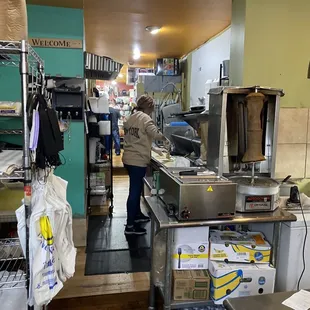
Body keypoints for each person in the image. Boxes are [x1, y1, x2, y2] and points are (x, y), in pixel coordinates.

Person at [122, 95, 168, 235]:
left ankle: (137, 215)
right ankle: (130, 226)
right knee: (135, 192)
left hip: (128, 159)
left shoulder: (131, 117)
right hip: (137, 161)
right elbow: (154, 133)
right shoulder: (146, 118)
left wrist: (154, 149)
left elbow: (138, 139)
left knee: (135, 189)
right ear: (150, 107)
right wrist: (166, 138)